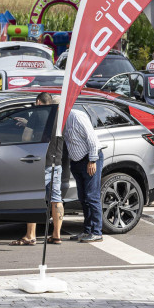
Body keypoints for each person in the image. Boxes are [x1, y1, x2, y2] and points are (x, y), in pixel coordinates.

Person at [11, 93, 65, 246]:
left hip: (40, 161)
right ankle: (56, 235)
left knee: (34, 197)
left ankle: (30, 235)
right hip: (57, 161)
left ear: (38, 102)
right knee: (56, 198)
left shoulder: (38, 115)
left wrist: (30, 126)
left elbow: (26, 138)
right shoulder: (61, 117)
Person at [65, 103, 104, 243]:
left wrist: (92, 160)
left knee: (92, 196)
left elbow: (92, 139)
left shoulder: (76, 116)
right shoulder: (62, 120)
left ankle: (97, 232)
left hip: (89, 158)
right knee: (83, 198)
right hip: (77, 161)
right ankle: (87, 230)